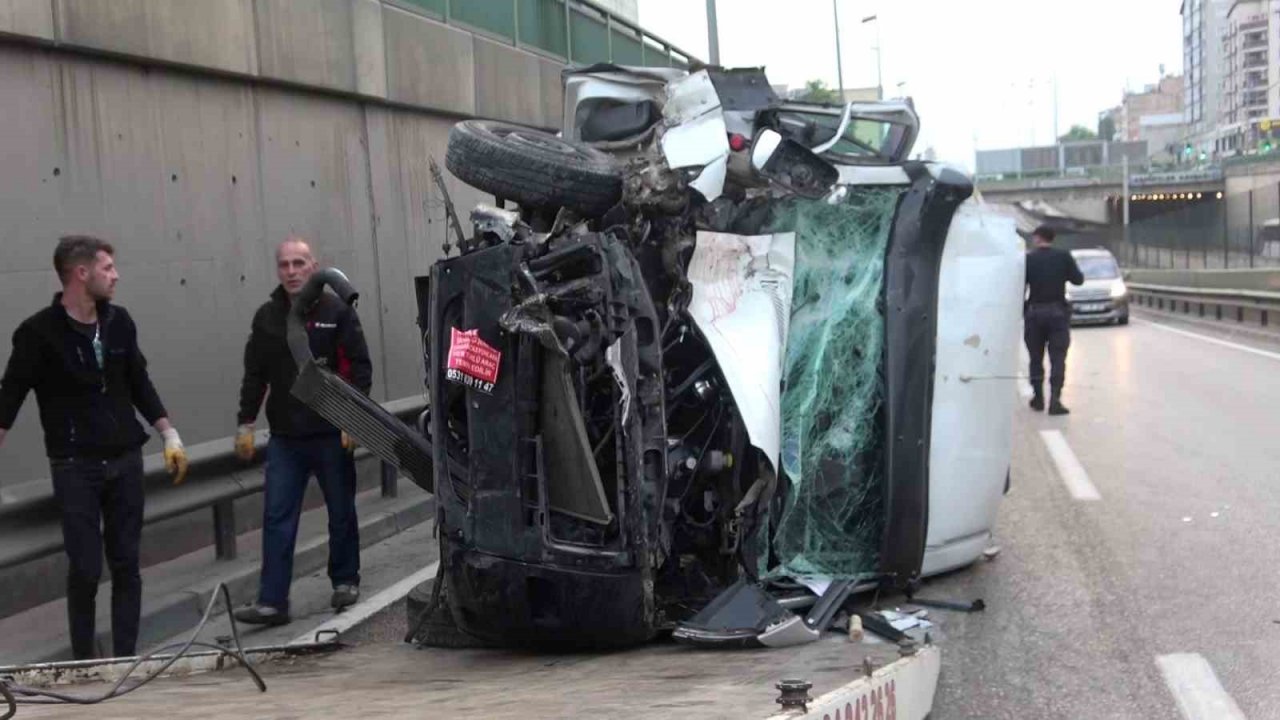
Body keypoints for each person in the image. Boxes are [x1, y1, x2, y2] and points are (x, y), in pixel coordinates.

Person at [0, 235, 189, 659]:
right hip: (75, 467)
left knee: (126, 564)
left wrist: (168, 433)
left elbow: (139, 382)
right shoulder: (37, 334)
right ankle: (83, 663)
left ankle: (124, 659)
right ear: (81, 273)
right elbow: (7, 401)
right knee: (85, 569)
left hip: (125, 460)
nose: (115, 275)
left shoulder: (119, 322)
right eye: (107, 268)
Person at [233, 236, 372, 626]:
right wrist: (245, 422)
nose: (292, 271)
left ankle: (345, 581)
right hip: (286, 439)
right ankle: (273, 601)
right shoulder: (267, 318)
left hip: (331, 432)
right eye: (285, 264)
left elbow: (358, 367)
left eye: (299, 263)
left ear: (314, 266)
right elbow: (255, 374)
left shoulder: (337, 311)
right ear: (278, 270)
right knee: (277, 517)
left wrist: (354, 418)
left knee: (341, 512)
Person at [1024, 225, 1084, 415]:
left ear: (1037, 238)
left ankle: (1038, 398)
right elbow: (1078, 280)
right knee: (1058, 358)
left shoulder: (1028, 259)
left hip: (1035, 313)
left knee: (1035, 358)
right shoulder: (1063, 257)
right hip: (1058, 313)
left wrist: (1022, 310)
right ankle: (1055, 400)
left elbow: (1019, 286)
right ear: (1052, 238)